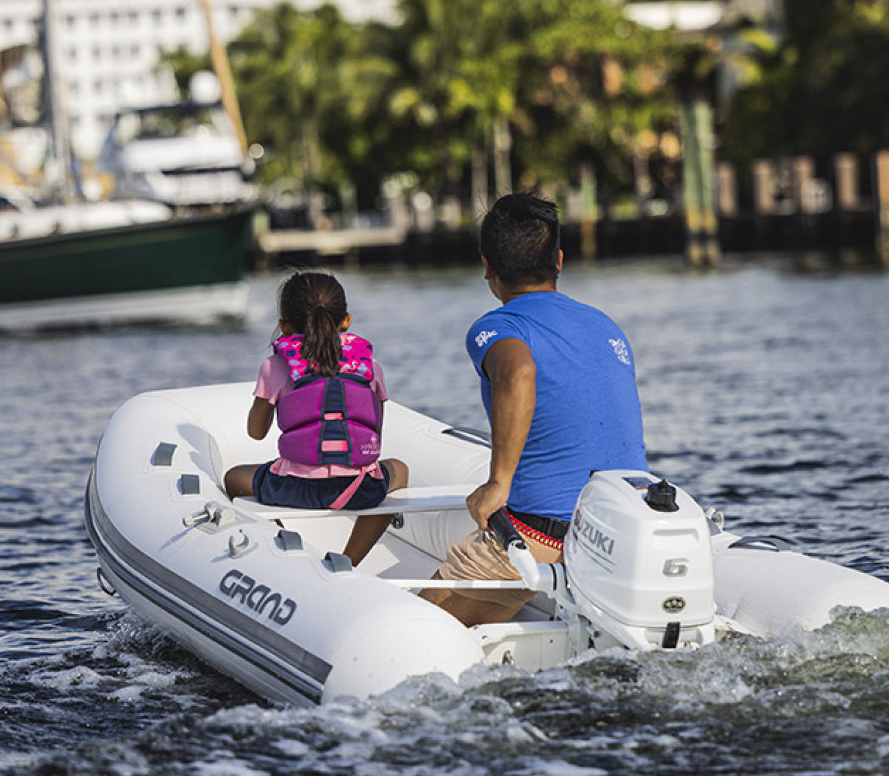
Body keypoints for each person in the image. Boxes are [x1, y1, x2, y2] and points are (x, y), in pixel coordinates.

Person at [419, 193, 648, 625]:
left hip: (539, 536)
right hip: (624, 530)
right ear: (559, 260)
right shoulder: (605, 325)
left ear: (487, 267)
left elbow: (518, 372)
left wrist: (497, 483)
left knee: (415, 630)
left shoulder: (499, 325)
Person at [224, 270, 408, 566]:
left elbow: (256, 432)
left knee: (233, 478)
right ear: (346, 320)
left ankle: (287, 552)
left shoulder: (274, 367)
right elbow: (375, 436)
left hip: (293, 489)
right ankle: (349, 561)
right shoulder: (370, 368)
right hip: (359, 490)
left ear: (283, 326)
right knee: (399, 470)